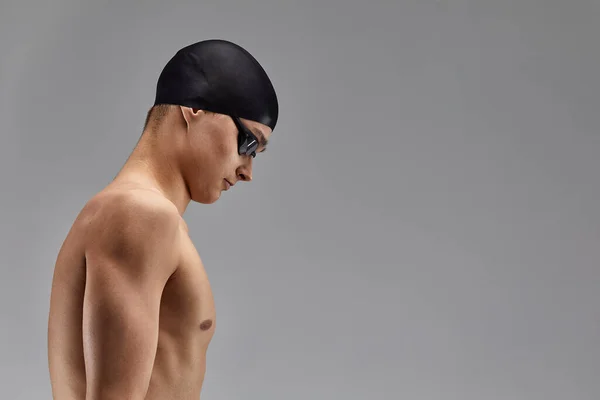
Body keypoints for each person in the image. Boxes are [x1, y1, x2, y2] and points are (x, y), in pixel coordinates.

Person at [47, 39, 279, 400]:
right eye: (248, 143)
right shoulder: (140, 215)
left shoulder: (126, 213)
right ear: (193, 109)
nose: (247, 170)